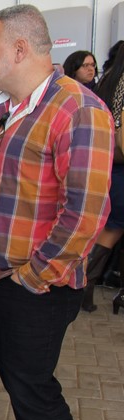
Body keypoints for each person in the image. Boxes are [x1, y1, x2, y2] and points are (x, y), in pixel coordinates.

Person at [0, 5, 112, 420]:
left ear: (19, 49)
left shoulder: (80, 110)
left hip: (37, 283)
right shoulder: (10, 108)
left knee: (32, 384)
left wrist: (31, 277)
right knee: (16, 378)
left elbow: (86, 214)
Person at [85, 43, 124, 312]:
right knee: (111, 231)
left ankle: (85, 289)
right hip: (120, 164)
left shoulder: (107, 81)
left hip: (109, 164)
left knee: (109, 232)